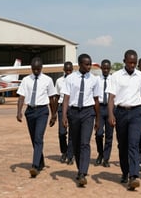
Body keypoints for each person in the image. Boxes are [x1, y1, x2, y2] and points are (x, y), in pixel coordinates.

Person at [107, 49, 141, 191]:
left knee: (133, 144)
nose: (132, 65)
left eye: (134, 63)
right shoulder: (116, 76)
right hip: (121, 112)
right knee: (122, 145)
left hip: (136, 112)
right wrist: (111, 115)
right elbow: (111, 97)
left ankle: (134, 176)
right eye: (130, 62)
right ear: (124, 61)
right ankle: (125, 172)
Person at [62, 54, 101, 187]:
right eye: (86, 64)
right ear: (80, 64)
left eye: (90, 64)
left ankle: (83, 173)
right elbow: (66, 98)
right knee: (77, 143)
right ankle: (80, 169)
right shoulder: (70, 78)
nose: (89, 66)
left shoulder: (95, 80)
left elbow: (96, 100)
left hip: (88, 113)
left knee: (85, 143)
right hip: (73, 113)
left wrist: (98, 119)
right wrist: (64, 116)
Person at [16, 57, 57, 178]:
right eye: (34, 69)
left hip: (42, 111)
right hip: (30, 111)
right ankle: (41, 161)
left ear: (42, 68)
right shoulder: (26, 80)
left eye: (38, 69)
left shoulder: (48, 80)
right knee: (34, 138)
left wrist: (53, 114)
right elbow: (21, 97)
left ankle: (35, 166)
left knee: (38, 137)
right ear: (31, 68)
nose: (36, 71)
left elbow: (52, 98)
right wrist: (19, 111)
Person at [54, 61, 74, 165]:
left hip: (73, 108)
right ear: (64, 70)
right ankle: (64, 152)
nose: (68, 72)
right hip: (62, 108)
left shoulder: (76, 80)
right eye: (67, 70)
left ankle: (71, 155)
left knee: (72, 133)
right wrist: (54, 113)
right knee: (62, 133)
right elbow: (57, 96)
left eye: (70, 70)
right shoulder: (59, 81)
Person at [95, 59, 114, 168]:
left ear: (110, 68)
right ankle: (100, 153)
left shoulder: (113, 79)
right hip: (100, 108)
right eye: (104, 68)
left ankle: (106, 158)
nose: (105, 70)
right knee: (98, 133)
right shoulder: (97, 79)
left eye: (107, 68)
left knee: (109, 135)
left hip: (110, 108)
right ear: (101, 68)